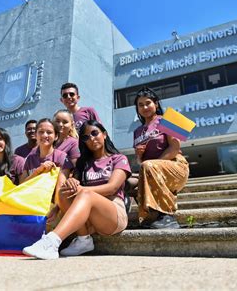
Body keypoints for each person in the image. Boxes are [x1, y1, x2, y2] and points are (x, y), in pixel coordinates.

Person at [23, 120, 131, 260]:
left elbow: (112, 188)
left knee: (86, 193)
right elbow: (73, 189)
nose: (92, 138)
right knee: (64, 190)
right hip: (89, 216)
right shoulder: (83, 164)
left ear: (104, 134)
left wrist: (81, 189)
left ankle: (52, 242)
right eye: (86, 137)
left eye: (95, 133)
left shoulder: (118, 158)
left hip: (113, 214)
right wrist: (58, 207)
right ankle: (83, 239)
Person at [133, 87, 189, 229]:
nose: (145, 107)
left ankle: (167, 216)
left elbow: (174, 148)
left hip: (176, 166)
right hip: (150, 170)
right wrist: (139, 156)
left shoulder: (170, 118)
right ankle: (152, 216)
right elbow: (141, 163)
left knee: (149, 166)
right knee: (127, 182)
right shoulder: (137, 131)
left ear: (156, 104)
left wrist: (154, 164)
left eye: (148, 103)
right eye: (140, 105)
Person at [20, 118, 73, 184]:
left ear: (56, 136)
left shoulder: (62, 157)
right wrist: (38, 171)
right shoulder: (30, 159)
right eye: (41, 132)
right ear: (36, 135)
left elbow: (61, 187)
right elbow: (22, 185)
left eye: (49, 132)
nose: (45, 135)